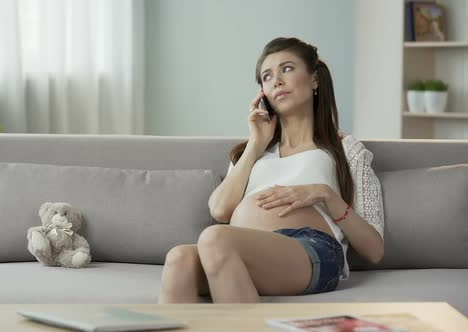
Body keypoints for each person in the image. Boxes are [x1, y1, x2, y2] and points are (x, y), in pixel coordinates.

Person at [158, 37, 384, 303]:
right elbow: (220, 209)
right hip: (238, 248)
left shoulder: (345, 149)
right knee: (179, 259)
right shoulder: (252, 152)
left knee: (215, 239)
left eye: (287, 69)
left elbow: (374, 249)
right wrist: (255, 144)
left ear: (314, 80)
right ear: (263, 93)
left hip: (312, 249)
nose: (276, 80)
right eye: (267, 76)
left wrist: (325, 194)